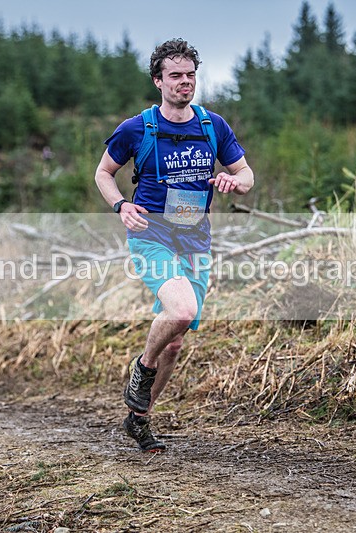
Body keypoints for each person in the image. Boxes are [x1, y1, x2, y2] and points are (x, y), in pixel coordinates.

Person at [94, 38, 254, 452]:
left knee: (178, 338)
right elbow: (103, 174)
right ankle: (143, 367)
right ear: (158, 81)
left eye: (190, 75)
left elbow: (246, 175)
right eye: (175, 76)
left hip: (195, 241)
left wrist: (234, 182)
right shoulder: (137, 128)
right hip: (151, 236)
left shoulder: (212, 126)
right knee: (182, 312)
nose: (185, 83)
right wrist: (120, 206)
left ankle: (139, 418)